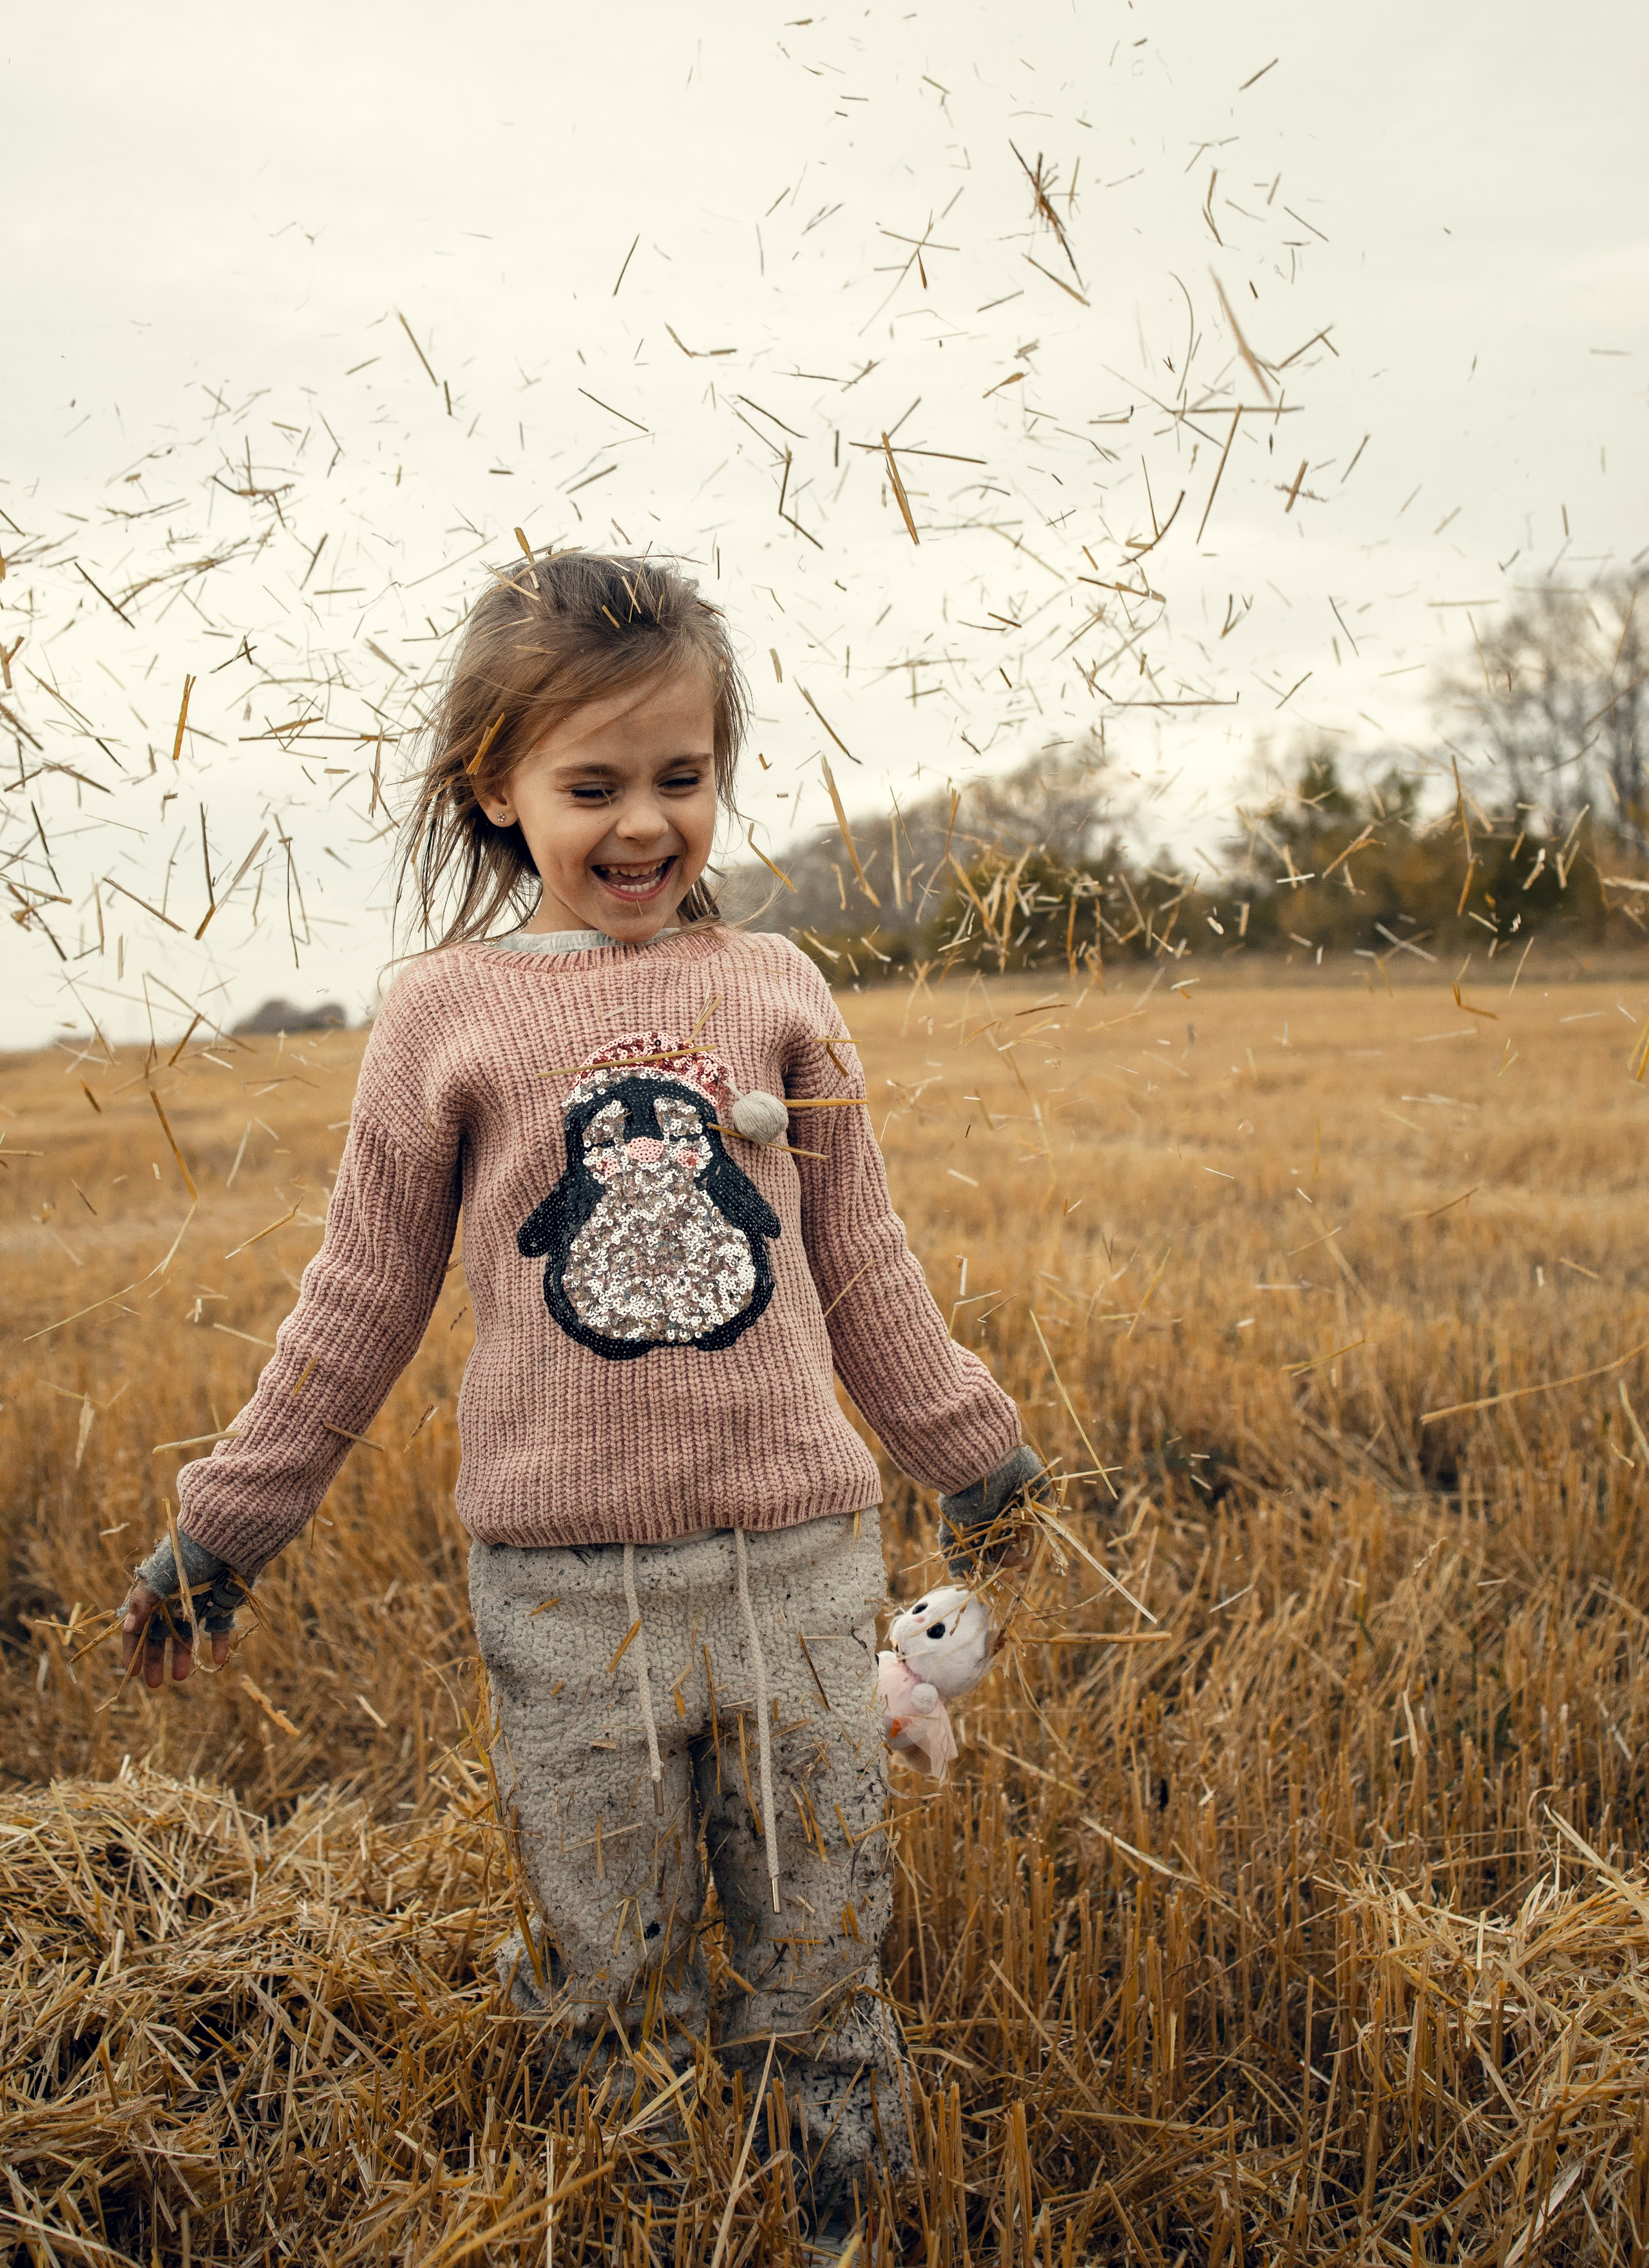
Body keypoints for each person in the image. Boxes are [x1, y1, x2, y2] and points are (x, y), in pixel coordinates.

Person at [121, 551, 1048, 2238]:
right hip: (563, 1600)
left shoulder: (777, 987)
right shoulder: (444, 1017)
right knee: (611, 1969)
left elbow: (862, 1260)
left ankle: (843, 2214)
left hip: (798, 1568)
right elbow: (361, 1297)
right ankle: (651, 2214)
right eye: (593, 785)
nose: (644, 825)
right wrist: (227, 1523)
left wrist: (973, 1450)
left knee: (823, 1949)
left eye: (681, 777)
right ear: (499, 786)